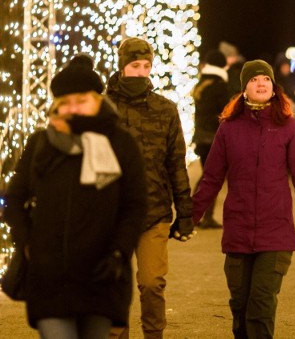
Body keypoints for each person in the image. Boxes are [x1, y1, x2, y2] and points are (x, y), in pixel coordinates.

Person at [4, 55, 147, 338]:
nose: (74, 109)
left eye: (81, 100)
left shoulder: (120, 143)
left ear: (97, 100)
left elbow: (134, 205)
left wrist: (119, 252)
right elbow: (15, 198)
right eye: (66, 102)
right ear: (56, 106)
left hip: (100, 274)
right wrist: (27, 242)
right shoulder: (41, 143)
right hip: (49, 276)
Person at [191, 59, 295, 339]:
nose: (260, 83)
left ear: (274, 88)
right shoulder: (228, 129)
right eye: (253, 80)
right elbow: (211, 178)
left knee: (260, 308)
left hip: (275, 233)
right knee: (239, 309)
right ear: (243, 90)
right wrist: (188, 218)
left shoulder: (289, 127)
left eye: (265, 79)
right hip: (237, 231)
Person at [106, 37, 194, 339]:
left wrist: (185, 213)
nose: (141, 72)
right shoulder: (103, 110)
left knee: (152, 282)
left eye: (146, 66)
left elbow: (175, 163)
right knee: (114, 285)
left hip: (153, 211)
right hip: (111, 216)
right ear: (122, 67)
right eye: (134, 65)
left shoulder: (165, 109)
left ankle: (153, 335)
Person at [192, 49, 229, 229]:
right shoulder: (220, 86)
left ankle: (198, 214)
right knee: (212, 177)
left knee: (209, 176)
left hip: (201, 138)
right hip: (213, 138)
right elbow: (225, 113)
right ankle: (202, 215)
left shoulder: (202, 84)